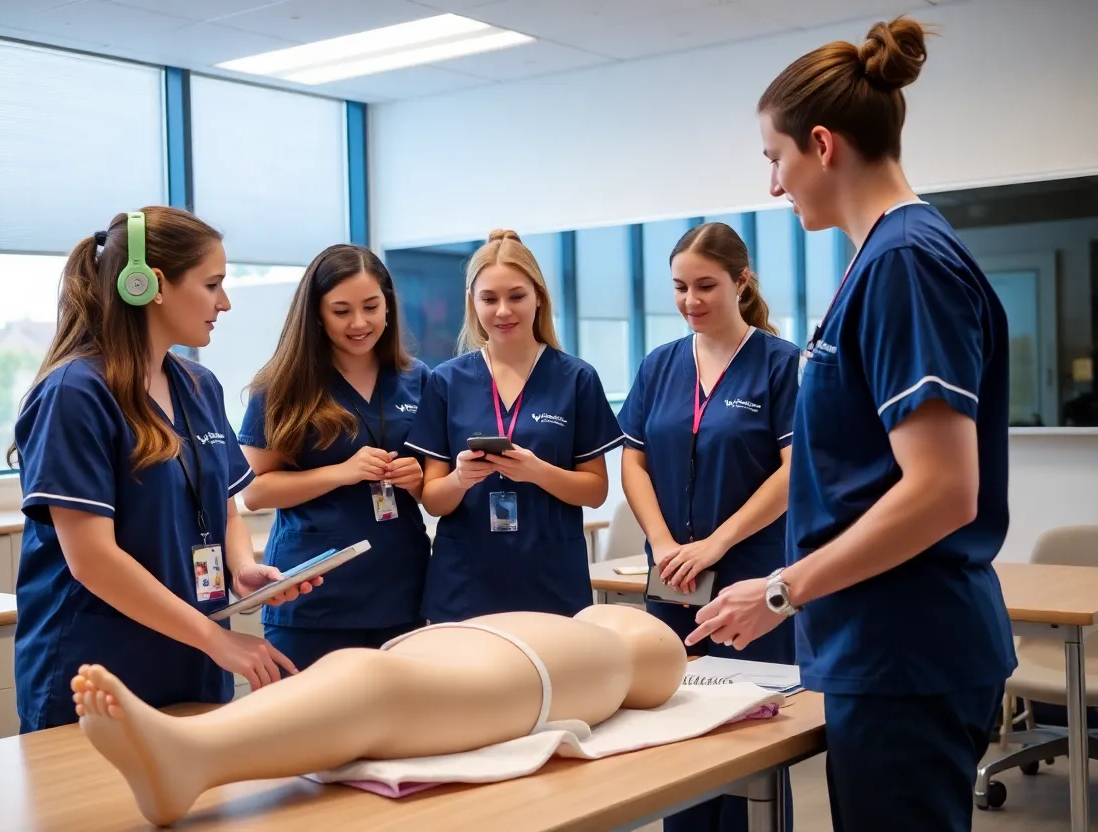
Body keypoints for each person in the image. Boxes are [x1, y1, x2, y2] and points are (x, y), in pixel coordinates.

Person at [687, 17, 1016, 832]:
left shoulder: (905, 263)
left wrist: (781, 589)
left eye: (776, 158)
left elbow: (943, 491)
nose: (774, 184)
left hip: (909, 648)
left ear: (823, 145)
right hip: (884, 645)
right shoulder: (883, 260)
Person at [10, 207, 317, 733]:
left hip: (193, 659)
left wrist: (243, 571)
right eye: (212, 284)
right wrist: (215, 638)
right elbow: (93, 561)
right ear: (149, 285)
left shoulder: (199, 387)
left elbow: (225, 513)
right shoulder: (76, 394)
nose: (225, 302)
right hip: (99, 662)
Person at [71, 603, 688, 826]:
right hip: (472, 655)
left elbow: (667, 660)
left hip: (513, 677)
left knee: (369, 684)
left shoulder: (629, 659)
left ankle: (192, 755)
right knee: (361, 681)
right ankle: (189, 751)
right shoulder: (606, 647)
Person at [618, 222, 799, 832]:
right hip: (673, 578)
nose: (691, 301)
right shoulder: (660, 364)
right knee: (679, 734)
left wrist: (717, 543)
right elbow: (634, 460)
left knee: (750, 735)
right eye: (679, 288)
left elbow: (793, 472)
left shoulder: (780, 364)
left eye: (705, 286)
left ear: (741, 281)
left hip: (750, 580)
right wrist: (667, 544)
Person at [405, 229, 625, 622]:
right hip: (466, 583)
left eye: (516, 296)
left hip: (550, 578)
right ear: (472, 302)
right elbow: (433, 499)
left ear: (538, 296)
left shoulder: (576, 379)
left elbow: (595, 491)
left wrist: (535, 471)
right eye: (489, 299)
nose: (503, 311)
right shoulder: (447, 381)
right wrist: (460, 479)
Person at [239, 244, 431, 671]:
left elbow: (438, 482)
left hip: (401, 587)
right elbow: (254, 492)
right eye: (341, 310)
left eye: (371, 306)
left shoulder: (418, 379)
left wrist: (418, 479)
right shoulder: (281, 386)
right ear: (317, 314)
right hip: (312, 597)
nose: (359, 323)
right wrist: (340, 473)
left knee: (400, 728)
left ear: (388, 307)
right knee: (312, 729)